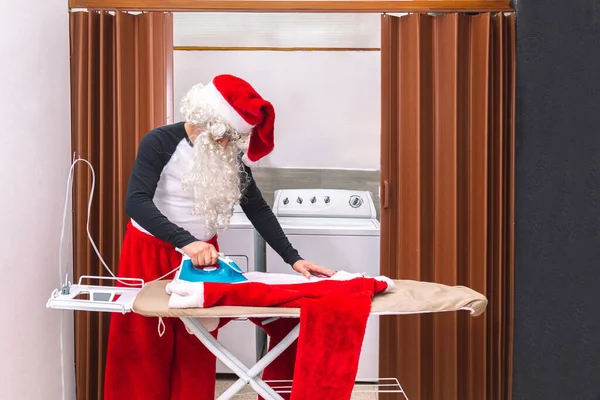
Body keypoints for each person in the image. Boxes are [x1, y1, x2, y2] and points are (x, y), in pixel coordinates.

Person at [103, 74, 334, 400]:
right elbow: (135, 201)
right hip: (151, 251)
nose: (228, 145)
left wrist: (293, 258)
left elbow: (258, 210)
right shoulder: (160, 142)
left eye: (235, 138)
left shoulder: (229, 156)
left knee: (196, 342)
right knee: (143, 345)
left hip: (203, 257)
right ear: (203, 117)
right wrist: (185, 240)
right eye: (223, 135)